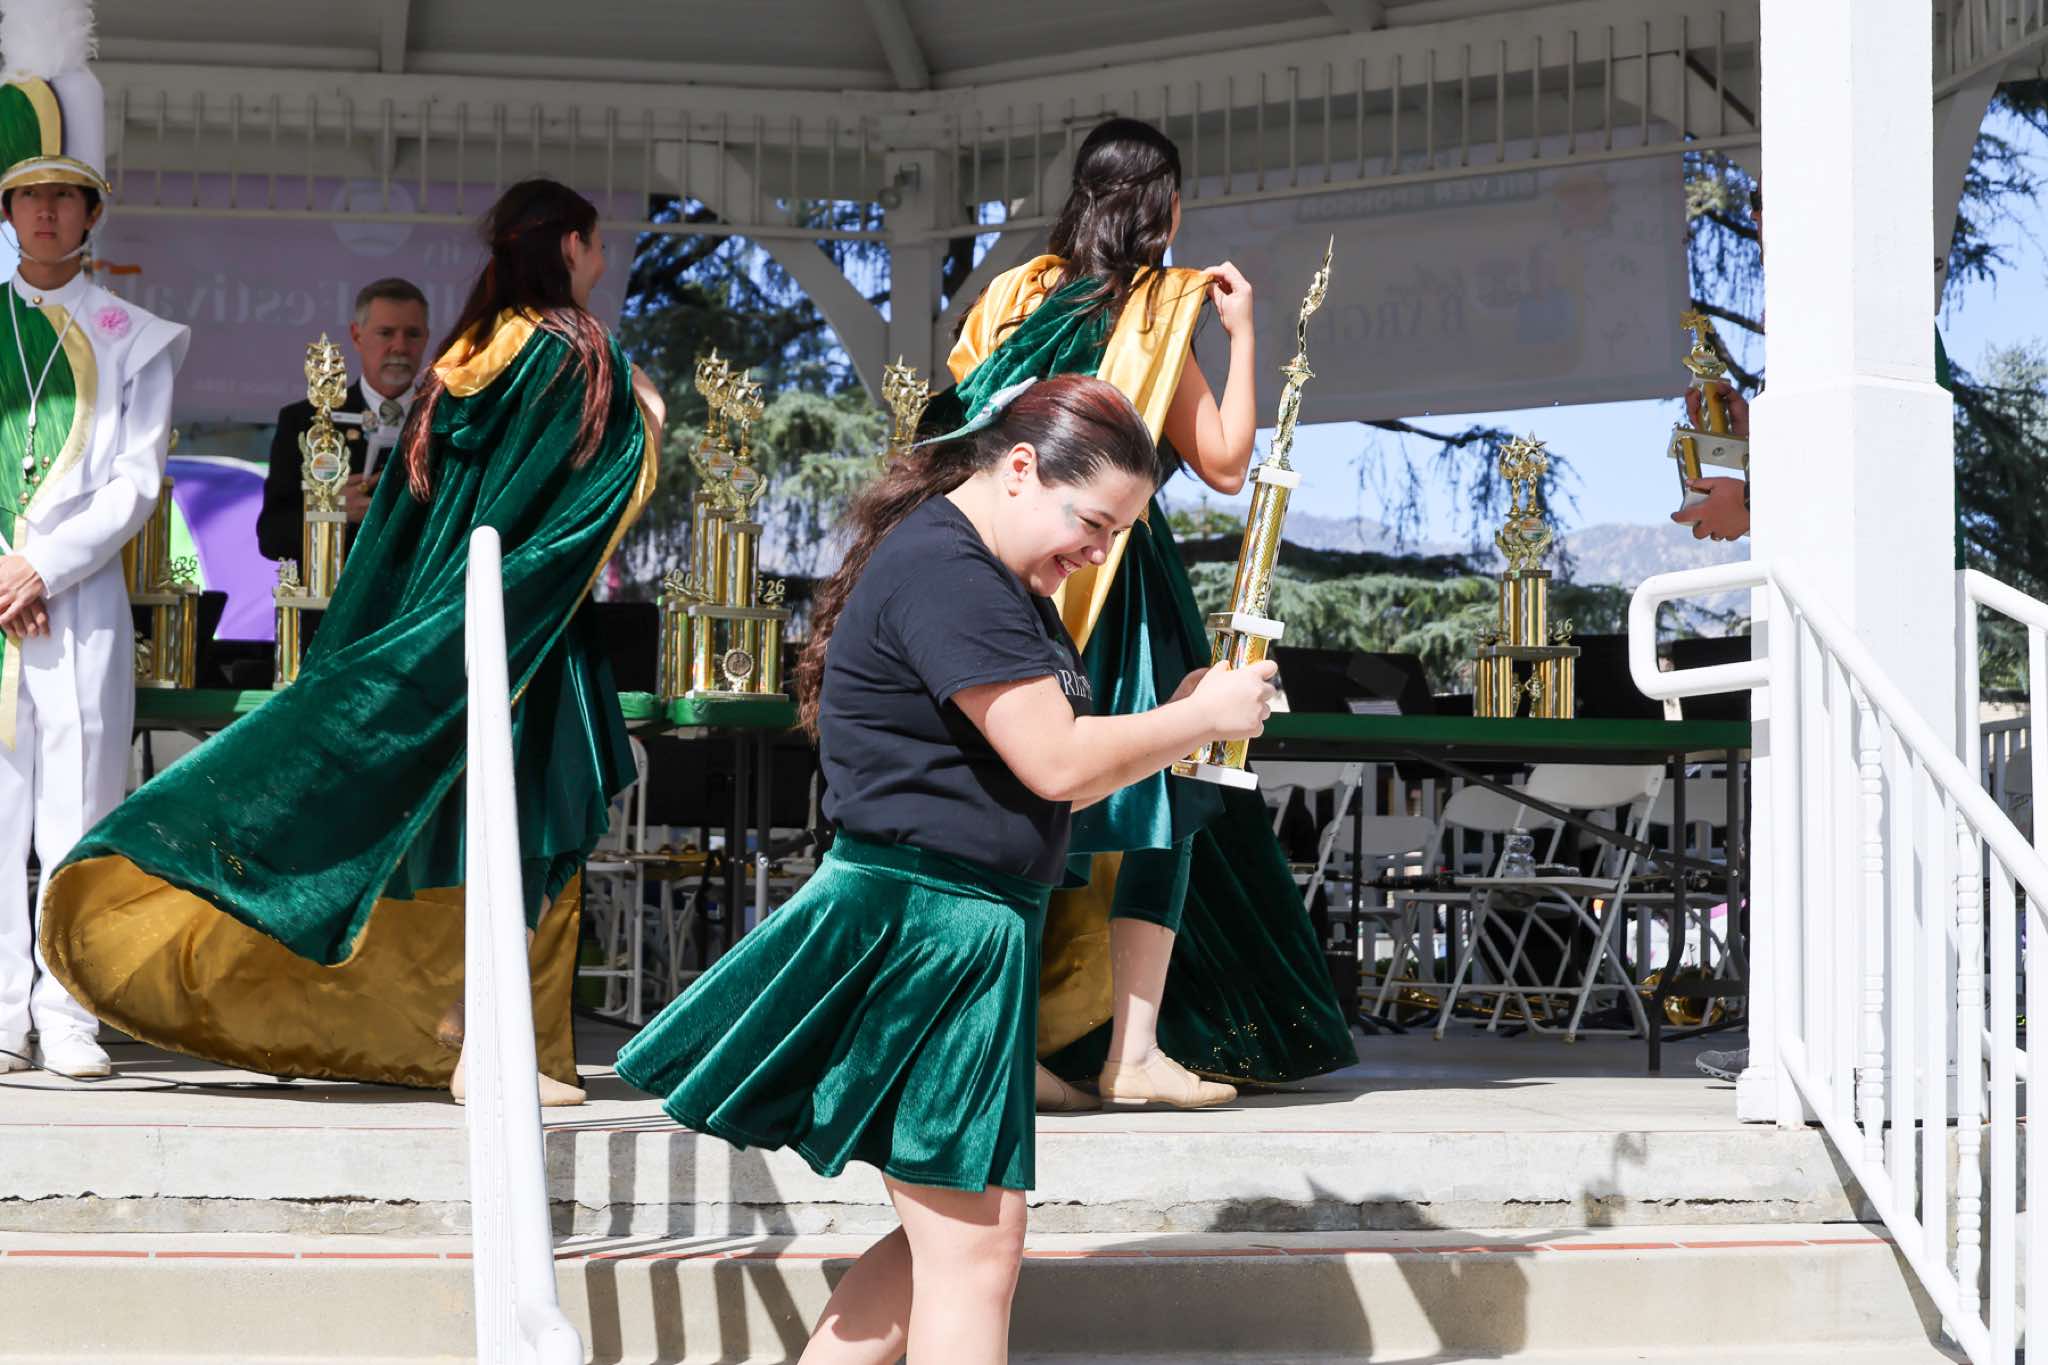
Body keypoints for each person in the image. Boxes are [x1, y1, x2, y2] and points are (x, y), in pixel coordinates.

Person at [616, 374, 1279, 1363]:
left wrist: (1178, 720)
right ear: (1020, 467)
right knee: (973, 1251)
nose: (1098, 552)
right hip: (931, 927)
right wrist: (1194, 720)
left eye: (1116, 534)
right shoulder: (951, 571)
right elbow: (1056, 764)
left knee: (950, 1245)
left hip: (950, 925)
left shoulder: (979, 571)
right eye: (1093, 523)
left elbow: (1049, 783)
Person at [38, 180, 660, 1105]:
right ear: (568, 245)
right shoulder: (577, 352)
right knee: (522, 831)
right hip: (524, 641)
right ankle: (487, 1041)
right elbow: (579, 502)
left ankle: (470, 1032)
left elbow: (405, 530)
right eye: (598, 245)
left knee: (456, 834)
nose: (603, 263)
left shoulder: (463, 357)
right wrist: (646, 411)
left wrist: (389, 644)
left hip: (432, 642)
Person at [934, 117, 1355, 1112]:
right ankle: (1131, 1052)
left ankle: (1004, 1045)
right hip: (1121, 574)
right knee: (1167, 794)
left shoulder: (1014, 292)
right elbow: (1223, 462)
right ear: (1164, 205)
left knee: (1018, 795)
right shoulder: (1162, 303)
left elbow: (967, 418)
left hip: (1013, 569)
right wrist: (1242, 332)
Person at [0, 147, 189, 1079]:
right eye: (28, 197)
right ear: (7, 215)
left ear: (90, 215)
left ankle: (69, 1014)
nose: (45, 212)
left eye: (63, 198)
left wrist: (42, 566)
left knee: (79, 811)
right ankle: (3, 1014)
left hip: (77, 599)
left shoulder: (132, 334)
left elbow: (136, 482)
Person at [256, 276, 429, 561]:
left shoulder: (447, 423)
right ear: (357, 336)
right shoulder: (304, 421)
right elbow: (272, 537)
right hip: (334, 587)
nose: (400, 346)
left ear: (426, 338)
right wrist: (331, 512)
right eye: (386, 333)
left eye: (412, 334)